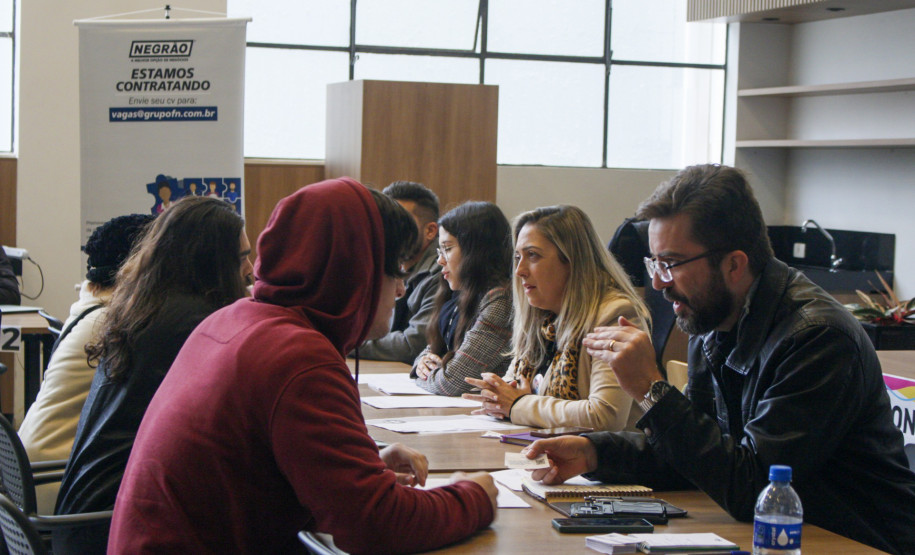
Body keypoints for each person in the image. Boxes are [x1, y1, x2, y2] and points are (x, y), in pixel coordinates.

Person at [524, 164, 915, 555]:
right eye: (654, 263)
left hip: (856, 542)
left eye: (671, 263)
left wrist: (652, 390)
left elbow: (755, 488)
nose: (658, 282)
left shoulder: (817, 338)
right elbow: (696, 455)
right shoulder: (710, 323)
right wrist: (596, 452)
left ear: (734, 264)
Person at [108, 177, 497, 554]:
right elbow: (376, 526)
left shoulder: (237, 319)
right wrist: (473, 495)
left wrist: (357, 469)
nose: (400, 288)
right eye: (395, 269)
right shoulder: (300, 359)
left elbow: (255, 469)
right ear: (354, 268)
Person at [53, 196, 254, 553]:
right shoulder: (193, 324)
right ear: (213, 261)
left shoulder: (150, 308)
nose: (251, 269)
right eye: (241, 258)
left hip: (86, 519)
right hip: (110, 527)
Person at [464, 205, 651, 430]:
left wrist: (519, 405)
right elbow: (509, 393)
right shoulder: (541, 317)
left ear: (572, 261)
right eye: (517, 257)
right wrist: (498, 397)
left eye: (532, 255)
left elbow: (606, 416)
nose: (519, 270)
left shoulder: (614, 315)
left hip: (606, 462)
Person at [18, 213, 153, 514]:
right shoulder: (112, 324)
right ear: (137, 266)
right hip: (57, 483)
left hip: (29, 475)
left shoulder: (87, 309)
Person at [412, 201, 513, 396]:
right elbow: (432, 351)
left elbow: (452, 383)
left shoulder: (500, 301)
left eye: (447, 249)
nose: (440, 260)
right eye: (439, 251)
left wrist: (422, 376)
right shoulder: (461, 294)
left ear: (476, 252)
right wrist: (421, 363)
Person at [358, 181, 442, 364]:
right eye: (386, 223)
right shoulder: (392, 264)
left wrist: (351, 344)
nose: (390, 232)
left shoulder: (442, 271)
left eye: (402, 223)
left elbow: (411, 345)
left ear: (430, 231)